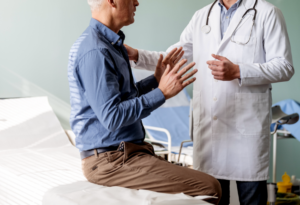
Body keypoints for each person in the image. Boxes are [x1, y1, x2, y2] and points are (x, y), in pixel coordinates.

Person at [125, 0, 294, 204]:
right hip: (211, 130)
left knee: (252, 200)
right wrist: (139, 56)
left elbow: (284, 66)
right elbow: (174, 57)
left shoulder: (268, 13)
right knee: (212, 198)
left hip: (246, 130)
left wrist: (238, 71)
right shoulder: (202, 16)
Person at [68, 0, 222, 203]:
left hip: (128, 153)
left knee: (206, 183)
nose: (137, 2)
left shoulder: (113, 45)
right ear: (112, 1)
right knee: (209, 187)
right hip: (111, 161)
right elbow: (112, 118)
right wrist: (161, 93)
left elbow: (123, 98)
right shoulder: (96, 51)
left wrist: (156, 81)